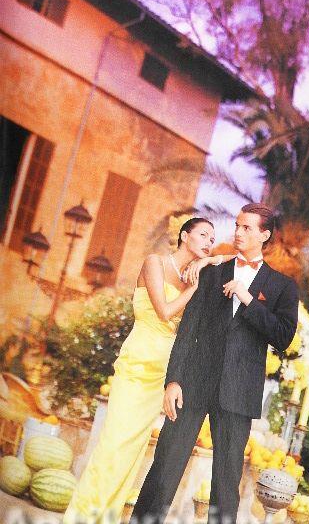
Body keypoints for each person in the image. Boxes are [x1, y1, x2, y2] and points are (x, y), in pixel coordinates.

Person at [131, 203, 299, 524]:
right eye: (237, 225)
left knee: (225, 487)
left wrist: (247, 299)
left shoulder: (282, 286)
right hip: (192, 384)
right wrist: (173, 380)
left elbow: (283, 336)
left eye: (247, 228)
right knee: (164, 469)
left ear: (264, 235)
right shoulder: (209, 273)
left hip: (239, 394)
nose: (238, 232)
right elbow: (188, 329)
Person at [63, 217, 226, 524]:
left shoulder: (195, 273)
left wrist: (210, 261)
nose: (209, 242)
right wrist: (195, 286)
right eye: (204, 234)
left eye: (212, 239)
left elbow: (241, 260)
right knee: (113, 445)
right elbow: (164, 311)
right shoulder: (155, 263)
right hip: (138, 364)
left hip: (163, 372)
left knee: (132, 453)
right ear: (184, 235)